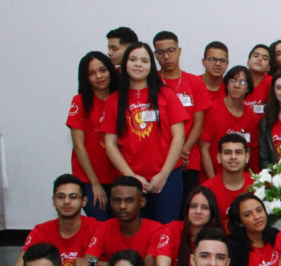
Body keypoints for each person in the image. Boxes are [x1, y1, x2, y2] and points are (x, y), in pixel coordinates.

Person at [101, 43, 188, 223]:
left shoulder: (166, 94)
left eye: (144, 60)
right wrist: (131, 177)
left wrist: (163, 174)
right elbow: (110, 143)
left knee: (166, 231)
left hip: (167, 176)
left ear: (151, 65)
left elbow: (179, 136)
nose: (138, 64)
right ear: (124, 64)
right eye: (133, 60)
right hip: (130, 178)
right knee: (134, 233)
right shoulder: (114, 100)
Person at [12, 174, 100, 266]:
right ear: (53, 201)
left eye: (73, 197)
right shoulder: (41, 231)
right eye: (61, 197)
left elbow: (109, 262)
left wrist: (90, 262)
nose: (66, 201)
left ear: (84, 201)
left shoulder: (97, 228)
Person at [153, 30, 212, 196]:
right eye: (161, 52)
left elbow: (198, 122)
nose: (166, 56)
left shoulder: (195, 82)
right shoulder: (152, 83)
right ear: (155, 55)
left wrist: (183, 150)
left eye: (170, 50)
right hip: (160, 158)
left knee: (187, 209)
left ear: (179, 51)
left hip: (189, 158)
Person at [76, 178, 162, 266]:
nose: (122, 206)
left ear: (142, 202)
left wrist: (107, 265)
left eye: (129, 200)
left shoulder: (156, 229)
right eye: (117, 200)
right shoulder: (105, 227)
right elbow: (87, 264)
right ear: (110, 202)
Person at [67, 51, 118, 220]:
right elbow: (78, 146)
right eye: (91, 73)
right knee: (100, 226)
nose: (99, 76)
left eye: (103, 70)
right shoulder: (80, 101)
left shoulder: (121, 99)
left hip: (118, 176)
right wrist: (95, 184)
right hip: (90, 179)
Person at [153, 186, 223, 266]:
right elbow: (161, 265)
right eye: (193, 206)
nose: (198, 211)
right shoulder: (172, 229)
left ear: (212, 212)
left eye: (204, 207)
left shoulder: (216, 238)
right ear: (187, 209)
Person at [200, 65, 260, 178]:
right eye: (233, 80)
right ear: (226, 84)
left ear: (248, 88)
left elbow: (251, 153)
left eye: (242, 82)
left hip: (239, 180)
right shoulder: (212, 110)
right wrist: (214, 181)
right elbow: (204, 149)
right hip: (212, 177)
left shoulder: (252, 118)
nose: (236, 85)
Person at [225, 193, 281, 266]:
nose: (257, 217)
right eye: (247, 214)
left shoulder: (276, 236)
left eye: (259, 210)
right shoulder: (232, 247)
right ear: (240, 222)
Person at [202, 134, 254, 227]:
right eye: (227, 152)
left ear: (247, 157)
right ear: (219, 157)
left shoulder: (258, 184)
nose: (233, 157)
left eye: (238, 152)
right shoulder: (207, 190)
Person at [243, 44, 273, 117]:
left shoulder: (273, 82)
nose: (259, 59)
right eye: (256, 56)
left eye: (265, 58)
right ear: (248, 62)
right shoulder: (237, 80)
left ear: (268, 68)